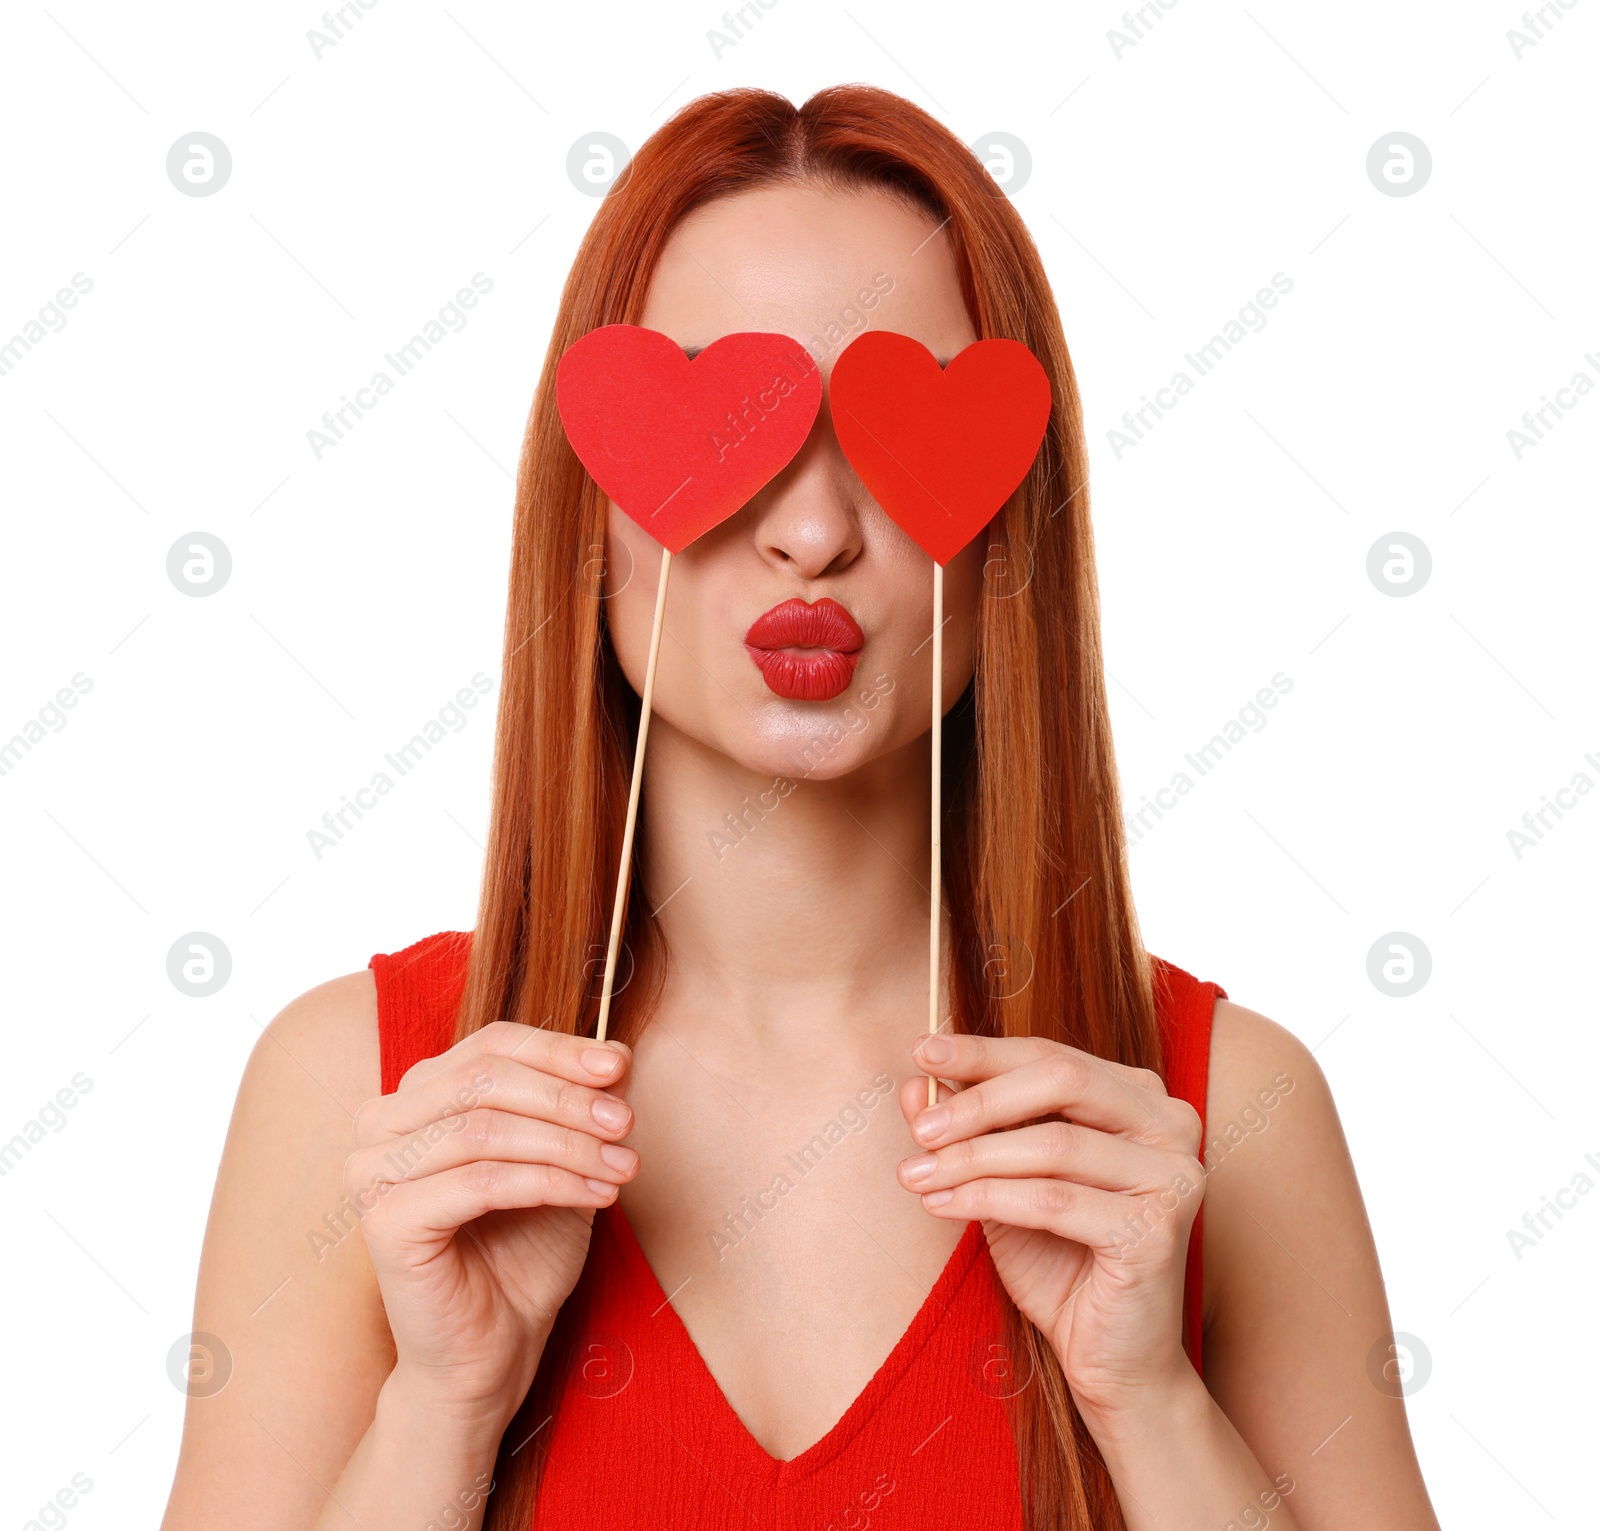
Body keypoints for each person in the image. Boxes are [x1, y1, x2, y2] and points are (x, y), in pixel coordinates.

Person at [161, 85, 1439, 1530]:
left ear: (1008, 524)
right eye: (724, 414)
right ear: (590, 526)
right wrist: (439, 1410)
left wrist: (1148, 1406)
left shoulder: (1227, 1118)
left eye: (894, 429)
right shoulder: (362, 1097)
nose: (814, 530)